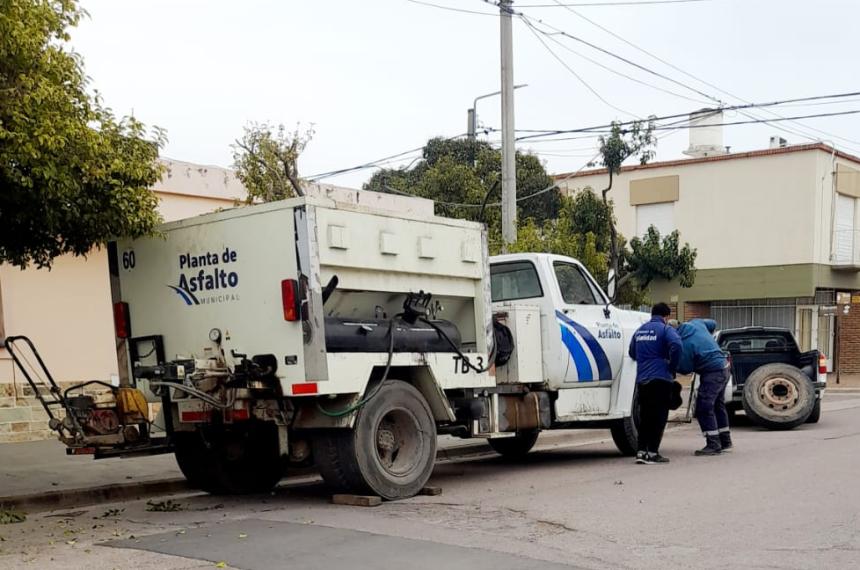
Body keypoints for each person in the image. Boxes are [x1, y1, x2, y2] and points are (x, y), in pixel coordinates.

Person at [628, 302, 683, 465]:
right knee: (659, 417)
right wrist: (672, 366)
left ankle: (640, 452)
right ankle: (652, 452)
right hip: (661, 379)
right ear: (666, 317)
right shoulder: (666, 330)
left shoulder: (640, 330)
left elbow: (631, 352)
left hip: (642, 379)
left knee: (644, 416)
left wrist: (644, 361)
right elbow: (677, 345)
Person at [675, 318, 732, 456]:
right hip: (724, 367)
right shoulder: (696, 324)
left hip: (712, 373)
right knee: (718, 405)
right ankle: (725, 440)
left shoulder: (684, 344)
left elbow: (685, 369)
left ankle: (713, 444)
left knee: (703, 407)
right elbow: (713, 323)